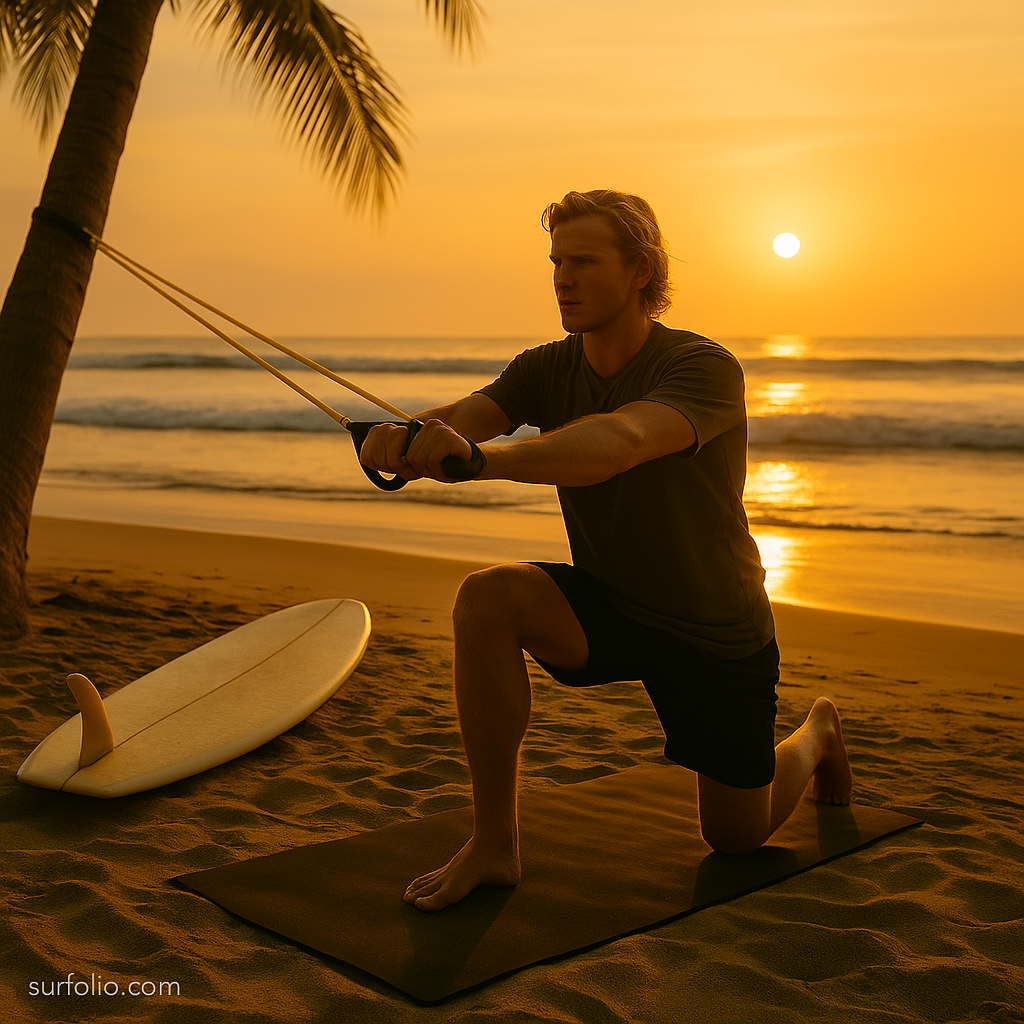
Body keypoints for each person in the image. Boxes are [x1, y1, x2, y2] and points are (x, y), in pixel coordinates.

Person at [359, 189, 853, 912]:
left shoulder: (702, 367)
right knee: (487, 597)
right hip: (612, 604)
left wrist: (482, 462)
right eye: (558, 261)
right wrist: (401, 436)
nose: (563, 277)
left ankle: (816, 732)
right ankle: (494, 843)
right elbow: (468, 418)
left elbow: (617, 444)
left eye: (584, 261)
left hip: (714, 629)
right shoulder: (544, 368)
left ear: (641, 271)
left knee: (736, 837)